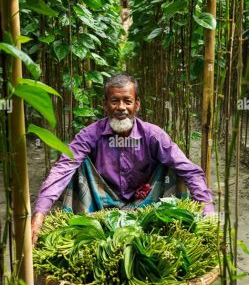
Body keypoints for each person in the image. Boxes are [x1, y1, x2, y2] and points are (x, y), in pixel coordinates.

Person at [31, 73, 215, 244]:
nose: (121, 108)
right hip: (100, 202)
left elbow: (191, 170)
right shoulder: (90, 134)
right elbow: (62, 167)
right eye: (114, 101)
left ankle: (174, 231)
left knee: (177, 168)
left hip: (147, 201)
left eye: (127, 101)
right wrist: (39, 215)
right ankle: (83, 230)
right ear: (105, 104)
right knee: (75, 166)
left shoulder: (153, 135)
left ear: (137, 105)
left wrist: (208, 213)